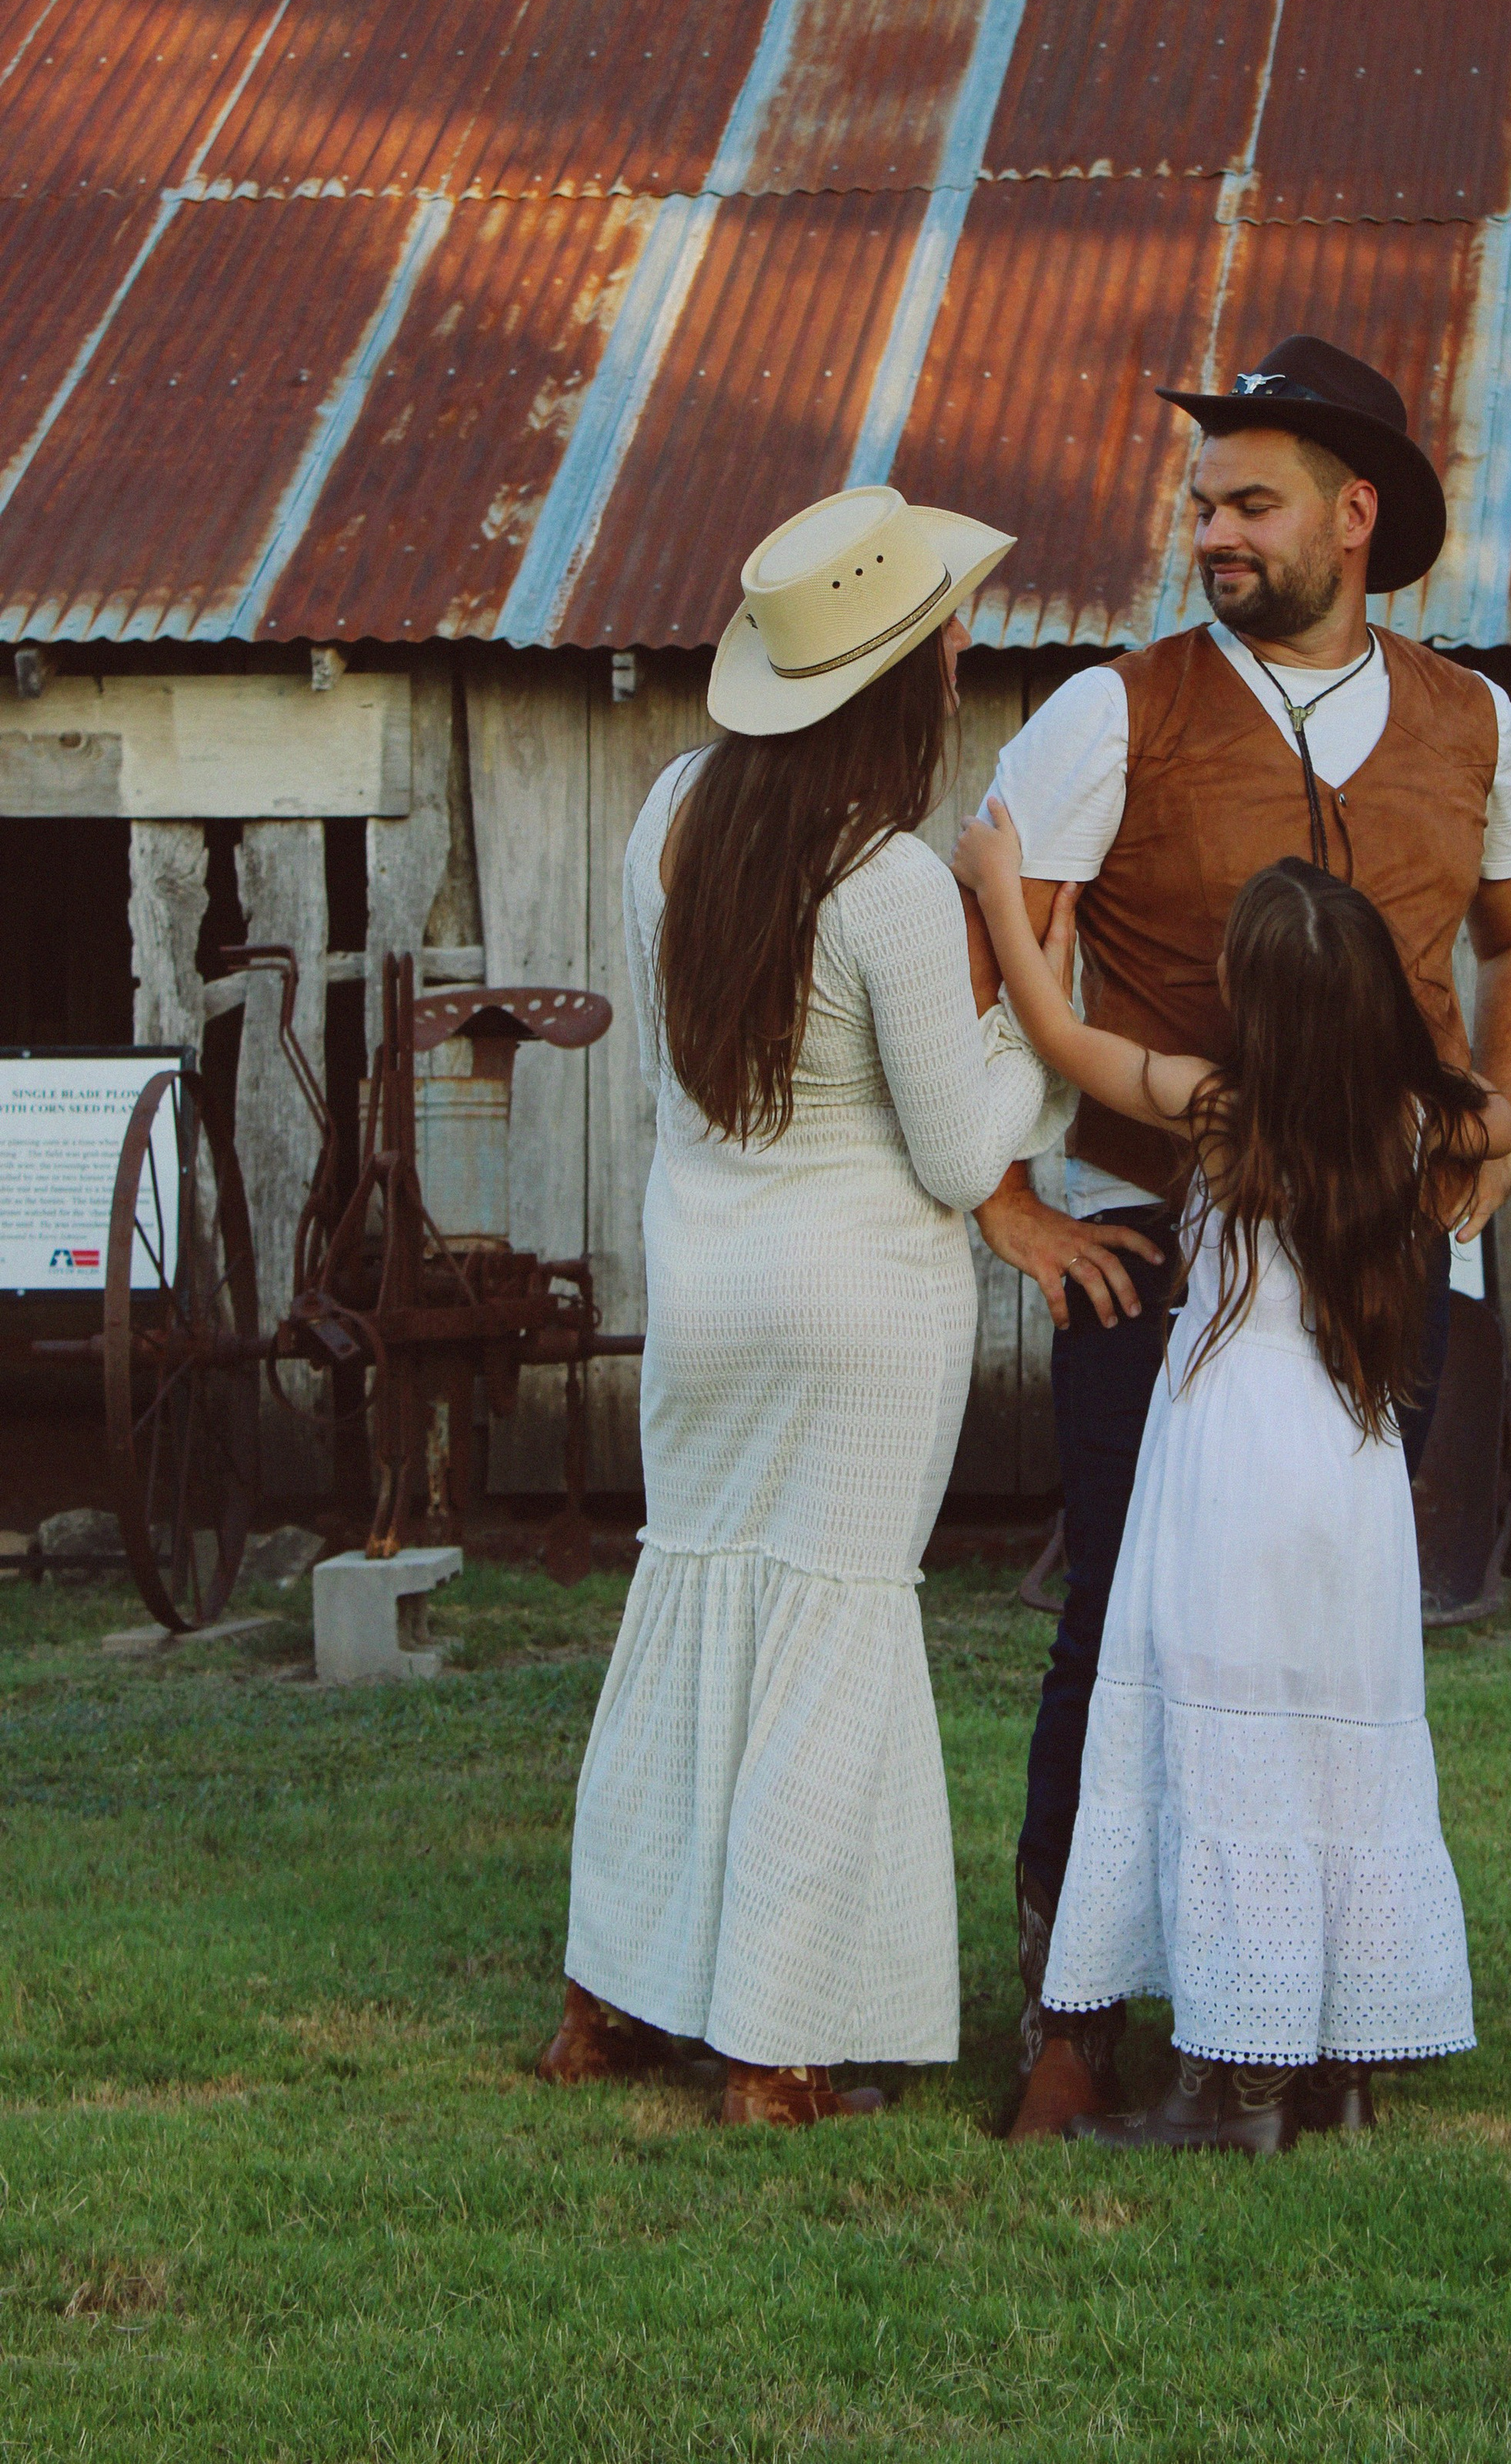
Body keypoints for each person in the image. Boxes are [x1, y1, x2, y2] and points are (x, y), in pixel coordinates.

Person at [965, 334, 1511, 2139]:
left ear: (1352, 513)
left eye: (1247, 502)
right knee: (1119, 1635)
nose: (1210, 533)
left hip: (1393, 1264)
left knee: (1332, 1643)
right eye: (1201, 503)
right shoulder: (1112, 708)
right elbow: (998, 950)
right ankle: (1067, 2015)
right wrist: (1003, 1191)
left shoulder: (1473, 724)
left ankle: (1309, 2008)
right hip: (1154, 1248)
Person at [538, 486, 1068, 2125]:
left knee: (689, 1613)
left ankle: (608, 2007)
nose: (968, 645)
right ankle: (775, 2044)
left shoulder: (670, 819)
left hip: (706, 1276)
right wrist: (1023, 956)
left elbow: (687, 1077)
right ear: (904, 677)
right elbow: (962, 1148)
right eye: (948, 632)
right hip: (856, 1303)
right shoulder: (896, 884)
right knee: (831, 1638)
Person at [955, 812, 1510, 2152]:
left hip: (1226, 1461)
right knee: (1333, 1740)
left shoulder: (1219, 1111)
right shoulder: (1432, 1122)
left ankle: (1227, 2091)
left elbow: (1061, 1043)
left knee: (1224, 1742)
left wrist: (1019, 912)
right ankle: (1344, 2075)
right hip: (1352, 1464)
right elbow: (1496, 1109)